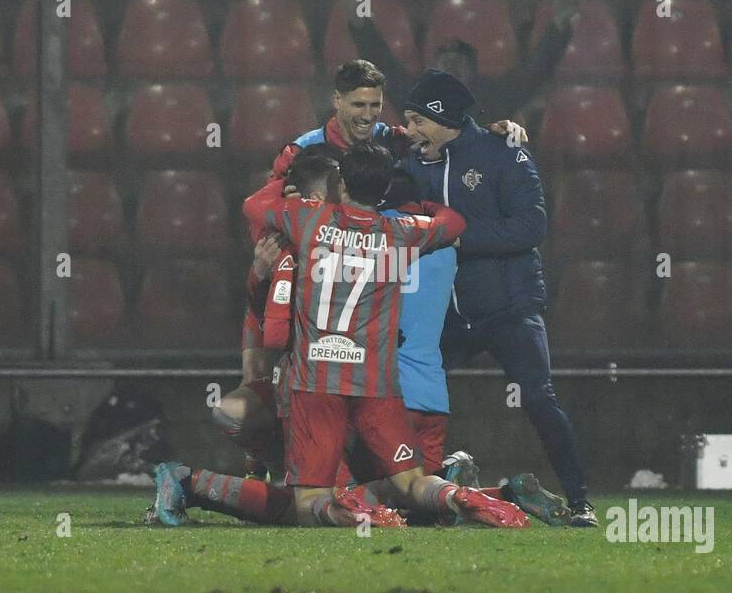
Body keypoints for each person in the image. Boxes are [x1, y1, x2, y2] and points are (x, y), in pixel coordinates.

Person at [154, 141, 527, 528]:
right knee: (412, 481)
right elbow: (454, 222)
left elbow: (253, 205)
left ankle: (346, 511)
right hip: (375, 386)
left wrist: (282, 174)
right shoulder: (401, 232)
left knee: (306, 504)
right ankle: (457, 496)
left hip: (315, 384)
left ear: (342, 185)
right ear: (382, 192)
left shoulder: (309, 220)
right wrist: (424, 208)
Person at [400, 69, 598, 527]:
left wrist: (452, 237)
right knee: (394, 393)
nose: (409, 132)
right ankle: (410, 491)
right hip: (446, 315)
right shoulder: (411, 162)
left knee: (538, 397)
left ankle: (580, 499)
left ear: (442, 117)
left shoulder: (504, 152)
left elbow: (531, 227)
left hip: (510, 307)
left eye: (416, 121)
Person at [344, 0, 579, 122]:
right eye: (446, 63)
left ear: (472, 72)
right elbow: (382, 62)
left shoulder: (493, 97)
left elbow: (535, 73)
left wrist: (559, 26)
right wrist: (360, 23)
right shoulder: (415, 94)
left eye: (459, 64)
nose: (452, 67)